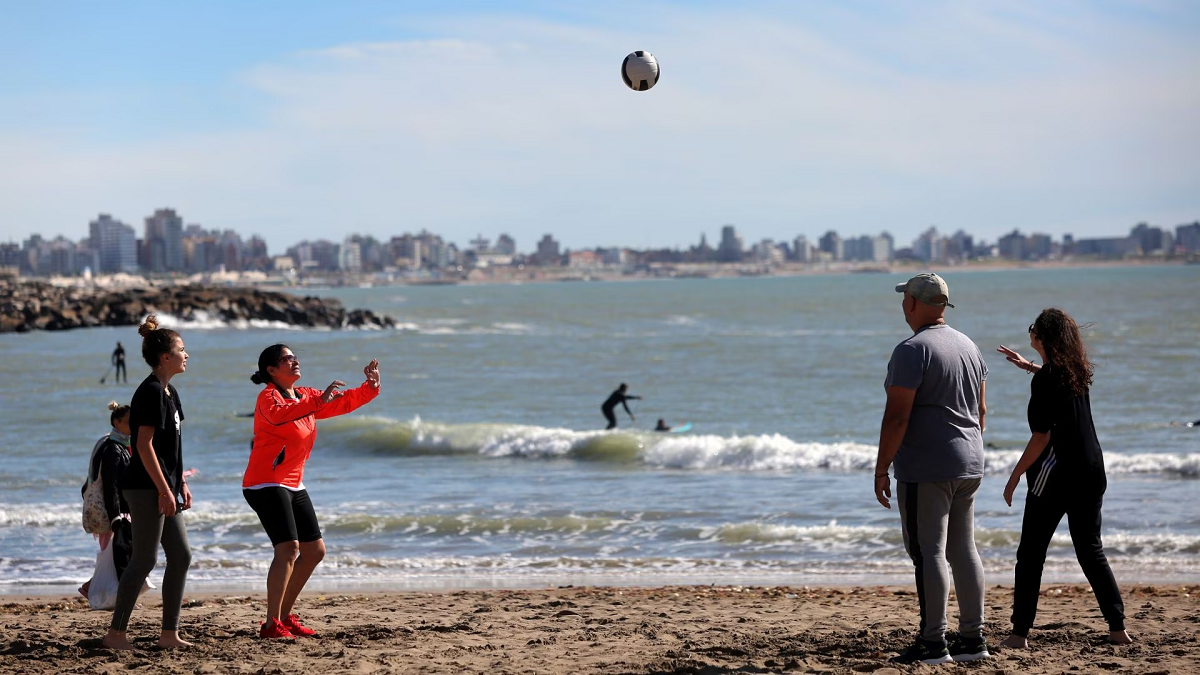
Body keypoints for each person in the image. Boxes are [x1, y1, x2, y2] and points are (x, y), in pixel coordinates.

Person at [996, 310, 1131, 648]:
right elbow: (1054, 384)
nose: (1030, 334)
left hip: (1058, 474)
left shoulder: (1047, 380)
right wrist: (1029, 366)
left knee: (1030, 554)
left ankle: (1018, 634)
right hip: (1092, 469)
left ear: (1042, 338)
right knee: (1090, 550)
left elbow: (1040, 438)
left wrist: (1013, 478)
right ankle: (1118, 629)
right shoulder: (1076, 371)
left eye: (1033, 330)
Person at [874, 273, 990, 665]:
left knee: (929, 552)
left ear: (912, 303)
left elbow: (896, 419)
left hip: (928, 466)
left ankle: (933, 643)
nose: (902, 305)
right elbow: (981, 412)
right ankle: (973, 639)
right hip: (970, 461)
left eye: (905, 298)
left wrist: (881, 469)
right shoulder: (968, 346)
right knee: (963, 549)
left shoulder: (911, 350)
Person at [243, 345, 381, 639]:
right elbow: (282, 416)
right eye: (287, 359)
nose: (295, 361)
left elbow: (340, 403)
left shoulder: (306, 395)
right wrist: (318, 401)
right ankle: (270, 624)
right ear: (271, 370)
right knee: (288, 549)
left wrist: (369, 387)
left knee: (315, 551)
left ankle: (283, 616)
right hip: (265, 482)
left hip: (293, 482)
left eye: (295, 357)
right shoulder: (268, 398)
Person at [103, 315, 193, 651]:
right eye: (182, 349)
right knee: (145, 559)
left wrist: (180, 481)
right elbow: (143, 446)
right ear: (165, 357)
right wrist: (164, 489)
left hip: (164, 485)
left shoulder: (170, 391)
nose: (187, 354)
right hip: (144, 487)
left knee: (181, 556)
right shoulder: (151, 392)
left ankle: (169, 635)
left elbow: (175, 444)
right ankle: (116, 634)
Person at [80, 401, 134, 600]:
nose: (134, 425)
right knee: (112, 555)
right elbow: (110, 486)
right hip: (112, 510)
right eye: (129, 422)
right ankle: (107, 593)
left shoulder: (119, 444)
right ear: (116, 423)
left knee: (111, 556)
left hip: (114, 509)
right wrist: (115, 517)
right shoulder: (113, 448)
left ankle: (92, 587)